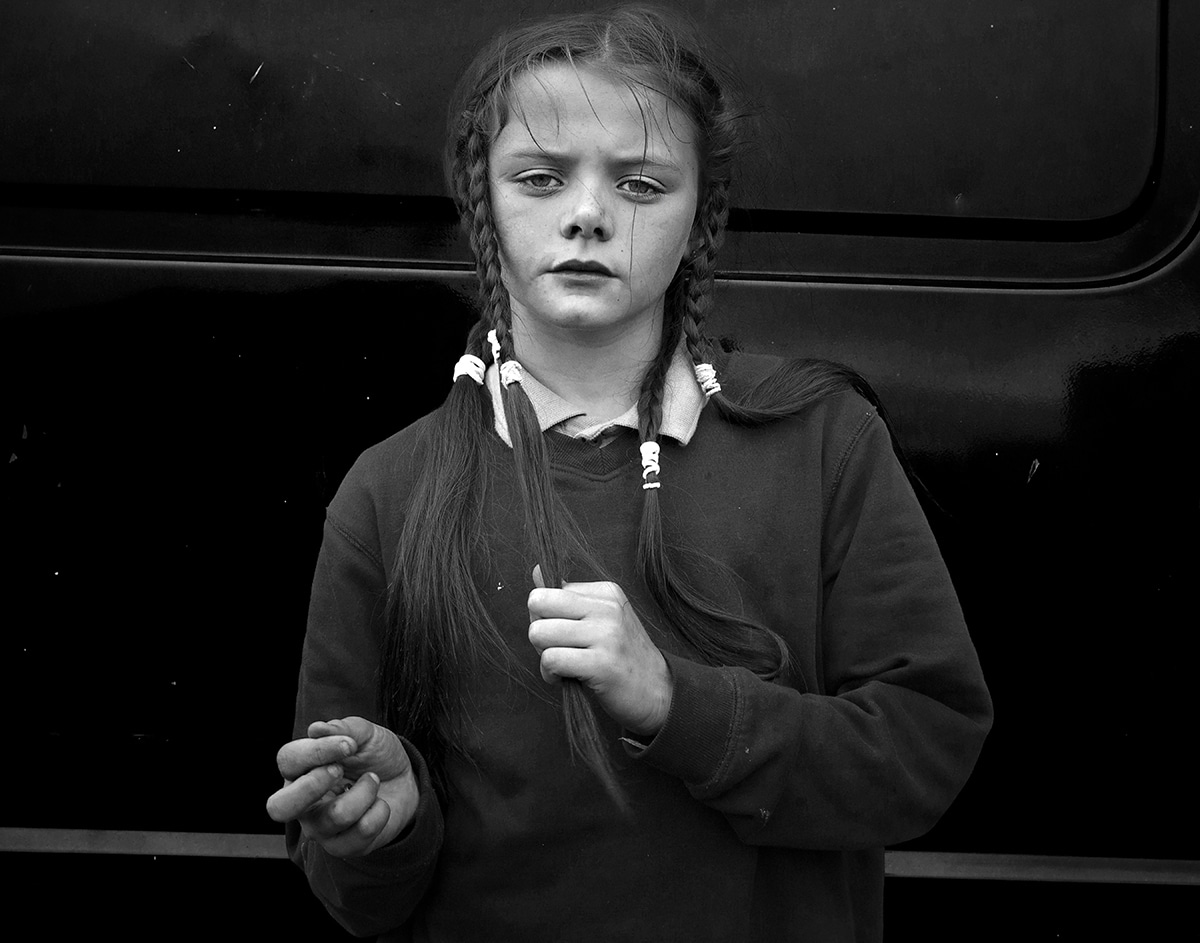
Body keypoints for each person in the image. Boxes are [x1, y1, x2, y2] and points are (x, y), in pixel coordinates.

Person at [266, 5, 992, 941]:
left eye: (643, 184)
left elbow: (926, 750)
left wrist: (674, 704)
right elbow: (351, 890)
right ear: (483, 201)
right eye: (539, 176)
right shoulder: (388, 491)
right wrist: (382, 829)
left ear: (699, 218)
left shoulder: (822, 442)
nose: (588, 213)